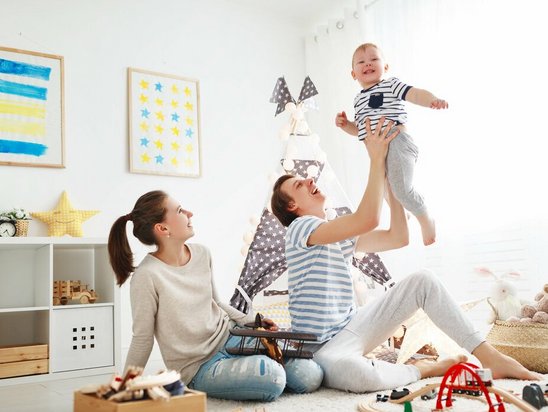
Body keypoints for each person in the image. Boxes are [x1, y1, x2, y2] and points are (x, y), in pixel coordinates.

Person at [271, 117, 542, 393]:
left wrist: (391, 181)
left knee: (423, 280)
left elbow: (398, 236)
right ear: (292, 206)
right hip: (322, 348)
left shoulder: (333, 233)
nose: (309, 179)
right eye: (299, 185)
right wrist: (376, 159)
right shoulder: (298, 228)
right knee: (359, 376)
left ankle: (489, 356)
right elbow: (368, 219)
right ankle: (422, 369)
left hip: (352, 326)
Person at [107, 190, 323, 401]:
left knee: (310, 375)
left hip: (232, 337)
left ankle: (253, 372)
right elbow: (142, 337)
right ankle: (255, 372)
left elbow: (216, 302)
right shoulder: (147, 275)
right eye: (180, 210)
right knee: (273, 377)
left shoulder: (202, 253)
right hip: (200, 367)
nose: (189, 213)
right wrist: (126, 385)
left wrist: (251, 321)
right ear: (163, 228)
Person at [336, 42, 447, 246]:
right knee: (385, 190)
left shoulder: (390, 85)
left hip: (396, 142)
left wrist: (432, 100)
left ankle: (426, 218)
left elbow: (415, 94)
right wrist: (346, 125)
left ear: (385, 67)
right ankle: (404, 213)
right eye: (361, 62)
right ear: (353, 74)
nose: (368, 64)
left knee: (402, 189)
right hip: (377, 152)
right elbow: (361, 130)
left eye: (374, 59)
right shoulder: (358, 100)